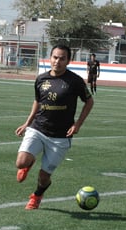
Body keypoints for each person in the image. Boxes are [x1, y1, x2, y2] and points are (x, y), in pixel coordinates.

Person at [14, 44, 94, 210]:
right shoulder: (41, 79)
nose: (57, 61)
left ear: (68, 61)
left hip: (60, 136)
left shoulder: (75, 81)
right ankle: (29, 163)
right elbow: (38, 101)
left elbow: (89, 101)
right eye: (55, 57)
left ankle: (37, 195)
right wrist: (27, 123)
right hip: (38, 128)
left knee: (44, 177)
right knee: (21, 162)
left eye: (62, 58)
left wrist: (78, 124)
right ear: (50, 58)